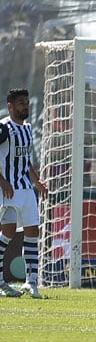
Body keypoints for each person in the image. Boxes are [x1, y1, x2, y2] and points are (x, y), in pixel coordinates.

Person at [0, 89, 48, 298]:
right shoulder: (3, 128)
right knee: (8, 232)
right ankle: (1, 281)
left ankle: (31, 282)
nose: (25, 106)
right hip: (8, 190)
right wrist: (2, 181)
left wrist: (37, 181)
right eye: (21, 103)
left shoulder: (27, 128)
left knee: (32, 232)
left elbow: (25, 159)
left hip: (26, 189)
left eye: (27, 102)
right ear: (10, 106)